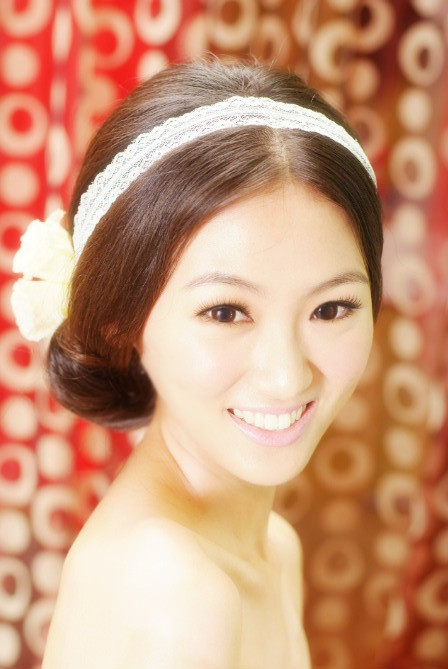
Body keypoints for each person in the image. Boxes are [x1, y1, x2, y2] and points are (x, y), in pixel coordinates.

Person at [11, 59, 382, 669]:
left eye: (331, 308)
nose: (287, 375)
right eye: (226, 313)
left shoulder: (272, 548)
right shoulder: (173, 590)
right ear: (121, 323)